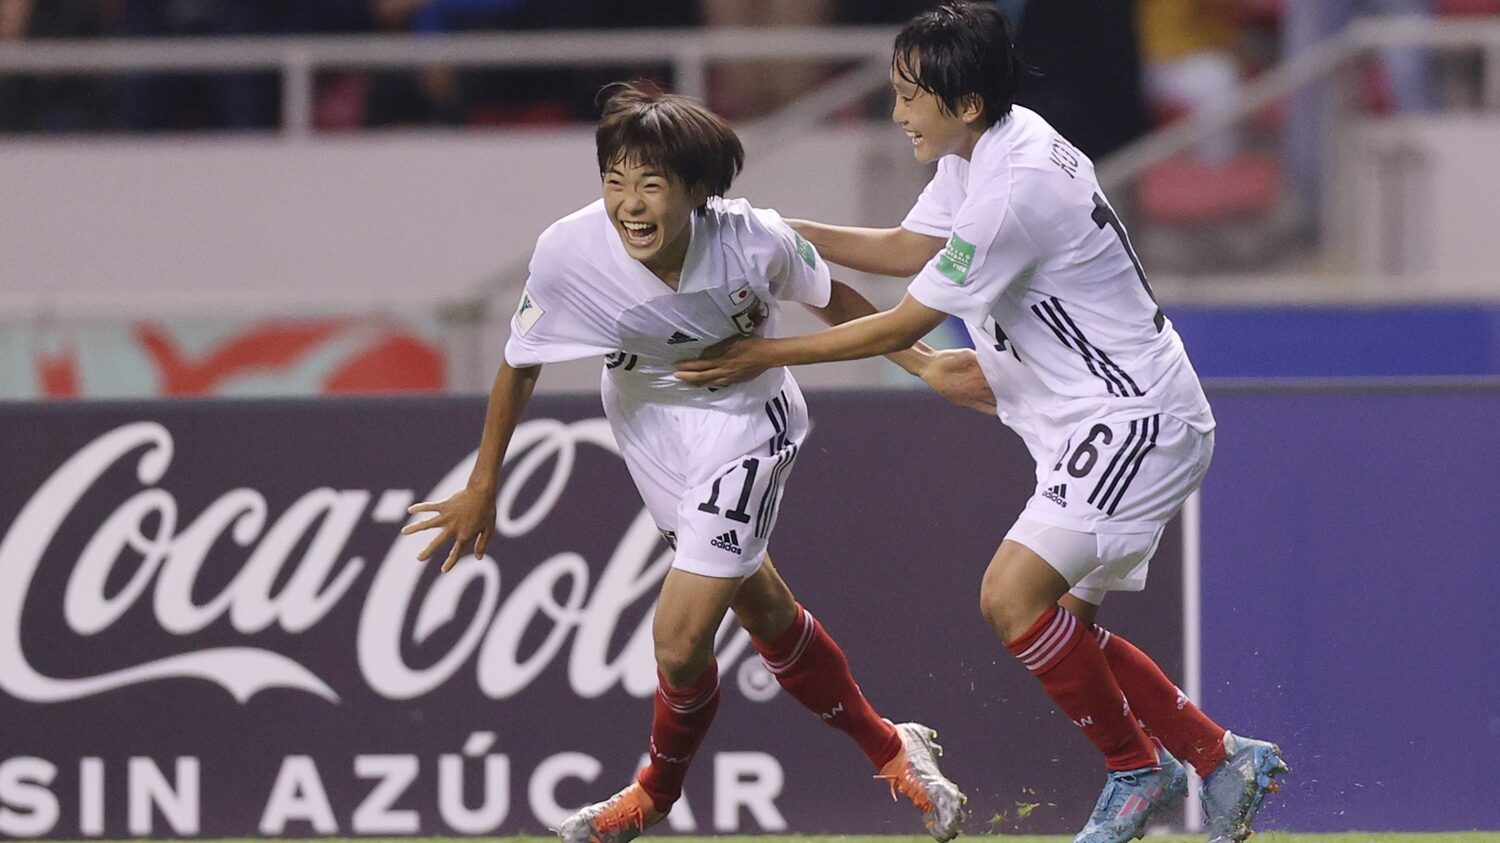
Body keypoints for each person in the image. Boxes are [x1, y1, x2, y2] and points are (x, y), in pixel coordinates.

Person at [676, 5, 1288, 843]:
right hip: (1086, 415)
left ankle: (1137, 770)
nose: (897, 115)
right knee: (1058, 621)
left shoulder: (1014, 188)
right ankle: (1218, 756)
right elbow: (904, 246)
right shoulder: (990, 144)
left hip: (1132, 416)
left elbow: (900, 320)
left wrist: (763, 353)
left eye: (908, 97)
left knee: (1010, 596)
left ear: (963, 103)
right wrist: (778, 231)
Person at [402, 82, 985, 843]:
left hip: (746, 422)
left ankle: (651, 794)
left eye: (651, 184)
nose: (630, 205)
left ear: (699, 191)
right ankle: (890, 746)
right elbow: (520, 364)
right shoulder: (568, 253)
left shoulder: (752, 238)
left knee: (678, 637)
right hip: (646, 423)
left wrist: (926, 364)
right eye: (615, 181)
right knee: (761, 607)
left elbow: (832, 295)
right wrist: (485, 483)